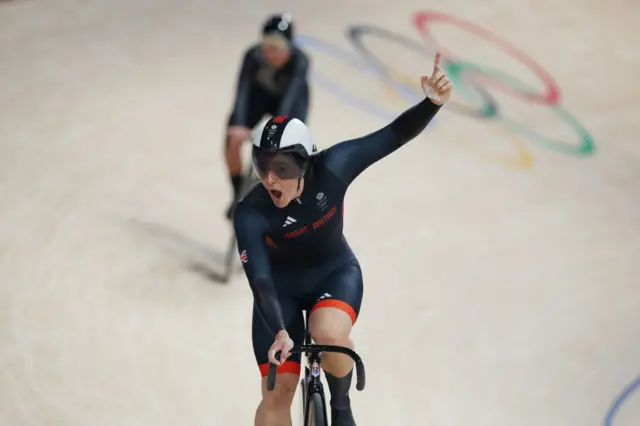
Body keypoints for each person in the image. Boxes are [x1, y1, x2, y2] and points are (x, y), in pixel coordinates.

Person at [233, 53, 453, 426]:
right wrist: (282, 331)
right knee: (277, 393)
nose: (270, 180)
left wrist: (432, 103)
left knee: (330, 334)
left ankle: (340, 405)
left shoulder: (334, 167)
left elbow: (391, 136)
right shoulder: (249, 212)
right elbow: (261, 279)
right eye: (263, 166)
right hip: (279, 293)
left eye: (282, 168)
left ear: (306, 164)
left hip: (332, 274)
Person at [223, 13, 311, 219]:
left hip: (290, 105)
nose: (272, 54)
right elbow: (242, 94)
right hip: (259, 98)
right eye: (267, 48)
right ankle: (237, 193)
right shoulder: (252, 56)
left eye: (278, 49)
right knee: (231, 139)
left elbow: (289, 102)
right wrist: (239, 126)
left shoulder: (300, 62)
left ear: (289, 48)